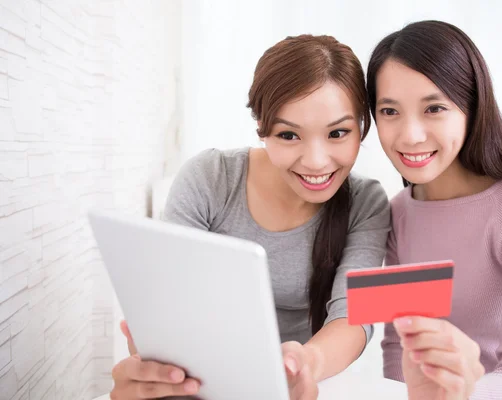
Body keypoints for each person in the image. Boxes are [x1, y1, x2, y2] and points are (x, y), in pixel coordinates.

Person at [109, 34, 390, 400]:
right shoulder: (210, 179)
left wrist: (304, 363)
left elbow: (353, 315)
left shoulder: (366, 201)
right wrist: (157, 369)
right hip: (204, 383)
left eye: (338, 133)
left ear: (362, 126)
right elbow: (170, 305)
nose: (316, 161)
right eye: (289, 135)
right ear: (261, 126)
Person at [367, 20, 502, 399]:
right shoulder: (399, 213)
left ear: (472, 107)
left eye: (434, 108)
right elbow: (400, 348)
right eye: (389, 111)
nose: (410, 135)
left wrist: (462, 393)